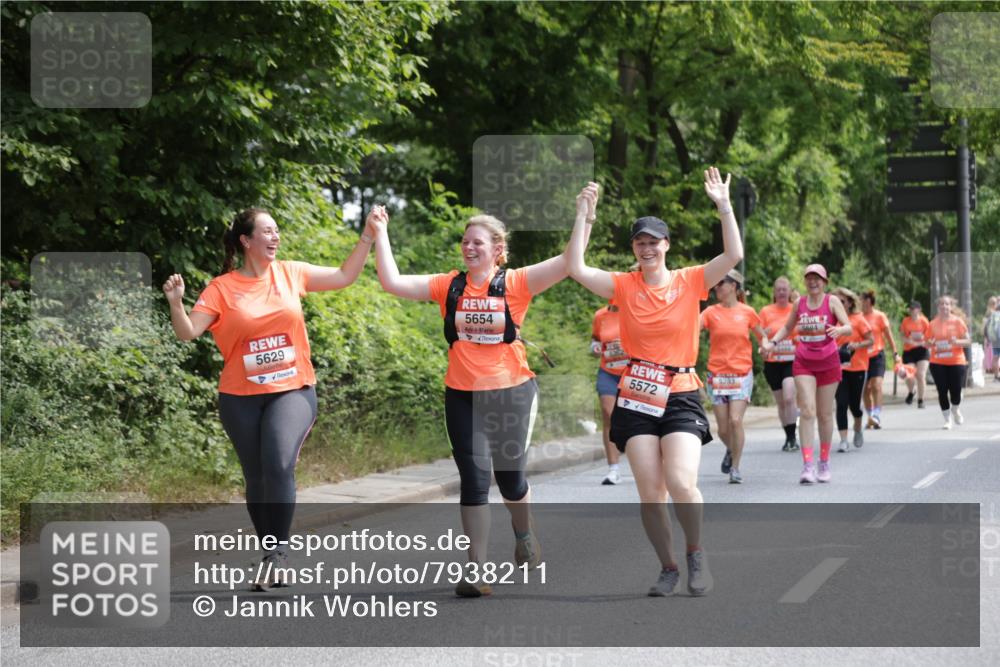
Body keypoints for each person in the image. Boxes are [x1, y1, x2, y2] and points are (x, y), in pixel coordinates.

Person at [371, 183, 599, 598]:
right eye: (465, 241)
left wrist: (583, 214)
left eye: (477, 242)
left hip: (511, 391)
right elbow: (392, 282)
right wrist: (380, 232)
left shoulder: (516, 283)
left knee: (511, 481)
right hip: (461, 394)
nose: (468, 247)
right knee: (474, 481)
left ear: (497, 249)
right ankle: (477, 568)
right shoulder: (449, 285)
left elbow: (569, 263)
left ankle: (523, 531)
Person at [162, 206, 378, 587]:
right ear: (246, 241)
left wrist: (368, 236)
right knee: (256, 476)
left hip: (292, 388)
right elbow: (188, 333)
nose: (275, 237)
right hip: (239, 396)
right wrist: (176, 303)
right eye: (267, 231)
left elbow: (345, 275)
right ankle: (269, 553)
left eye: (277, 231)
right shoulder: (221, 288)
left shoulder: (290, 273)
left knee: (278, 461)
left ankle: (278, 554)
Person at [567, 166, 741, 597]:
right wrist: (584, 217)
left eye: (653, 242)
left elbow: (733, 255)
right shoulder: (623, 286)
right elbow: (575, 266)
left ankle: (696, 553)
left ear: (666, 245)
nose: (647, 249)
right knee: (651, 494)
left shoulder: (691, 281)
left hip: (680, 393)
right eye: (639, 242)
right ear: (635, 248)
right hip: (637, 395)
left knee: (681, 483)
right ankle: (667, 567)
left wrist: (723, 206)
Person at [761, 264, 853, 484]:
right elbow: (787, 327)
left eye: (817, 278)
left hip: (829, 362)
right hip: (804, 362)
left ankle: (824, 462)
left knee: (824, 414)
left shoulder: (832, 301)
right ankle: (807, 466)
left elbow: (848, 326)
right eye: (809, 278)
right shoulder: (799, 304)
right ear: (805, 282)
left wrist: (839, 330)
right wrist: (772, 343)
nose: (813, 282)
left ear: (824, 281)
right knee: (808, 411)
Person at [700, 269, 766, 484]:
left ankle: (735, 467)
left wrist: (765, 345)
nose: (717, 288)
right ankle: (731, 448)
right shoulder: (710, 312)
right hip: (717, 375)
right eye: (716, 284)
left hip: (741, 374)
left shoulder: (747, 312)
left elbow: (761, 335)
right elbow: (692, 329)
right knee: (723, 429)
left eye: (721, 283)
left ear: (733, 287)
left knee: (735, 420)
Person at [758, 276, 800, 452]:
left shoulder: (795, 309)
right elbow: (759, 334)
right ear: (774, 293)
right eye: (779, 289)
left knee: (789, 396)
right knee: (782, 403)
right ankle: (788, 436)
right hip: (772, 362)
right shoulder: (766, 311)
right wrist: (764, 338)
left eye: (785, 289)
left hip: (792, 360)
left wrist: (799, 340)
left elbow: (803, 331)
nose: (782, 292)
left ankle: (792, 437)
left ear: (790, 292)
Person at [832, 288, 875, 453]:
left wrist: (856, 345)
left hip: (858, 367)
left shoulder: (858, 319)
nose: (839, 304)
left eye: (842, 301)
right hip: (838, 368)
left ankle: (858, 428)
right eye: (836, 301)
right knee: (841, 403)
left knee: (854, 405)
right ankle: (843, 440)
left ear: (849, 303)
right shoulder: (833, 320)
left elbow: (871, 340)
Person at [591, 299, 627, 484]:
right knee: (609, 415)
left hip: (632, 374)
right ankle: (614, 469)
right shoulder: (601, 315)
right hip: (608, 372)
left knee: (636, 418)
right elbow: (596, 339)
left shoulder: (633, 312)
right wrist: (595, 347)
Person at [928, 295, 971, 429]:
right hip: (937, 361)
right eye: (942, 304)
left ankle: (956, 408)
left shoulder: (958, 322)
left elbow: (968, 341)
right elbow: (927, 342)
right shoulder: (933, 324)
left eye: (947, 304)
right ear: (938, 307)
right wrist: (930, 343)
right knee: (942, 391)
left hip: (956, 361)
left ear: (951, 307)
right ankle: (947, 420)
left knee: (956, 390)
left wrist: (957, 342)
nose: (944, 307)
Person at [860, 290, 900, 429]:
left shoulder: (879, 316)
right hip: (862, 357)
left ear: (870, 301)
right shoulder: (859, 317)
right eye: (860, 301)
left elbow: (889, 336)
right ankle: (870, 416)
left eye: (863, 300)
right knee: (865, 389)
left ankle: (876, 415)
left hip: (877, 355)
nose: (861, 303)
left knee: (876, 385)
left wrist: (895, 353)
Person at [900, 299, 932, 408]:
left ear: (919, 310)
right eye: (911, 308)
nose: (912, 310)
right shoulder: (906, 321)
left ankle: (921, 400)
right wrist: (909, 341)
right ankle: (911, 391)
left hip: (922, 350)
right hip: (909, 350)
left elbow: (930, 336)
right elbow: (902, 336)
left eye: (914, 308)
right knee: (909, 375)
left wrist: (925, 340)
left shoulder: (924, 321)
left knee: (920, 375)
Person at [982, 295, 1000, 382]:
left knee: (995, 358)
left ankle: (996, 377)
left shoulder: (992, 314)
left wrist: (988, 338)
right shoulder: (993, 314)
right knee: (995, 358)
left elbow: (986, 328)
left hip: (995, 340)